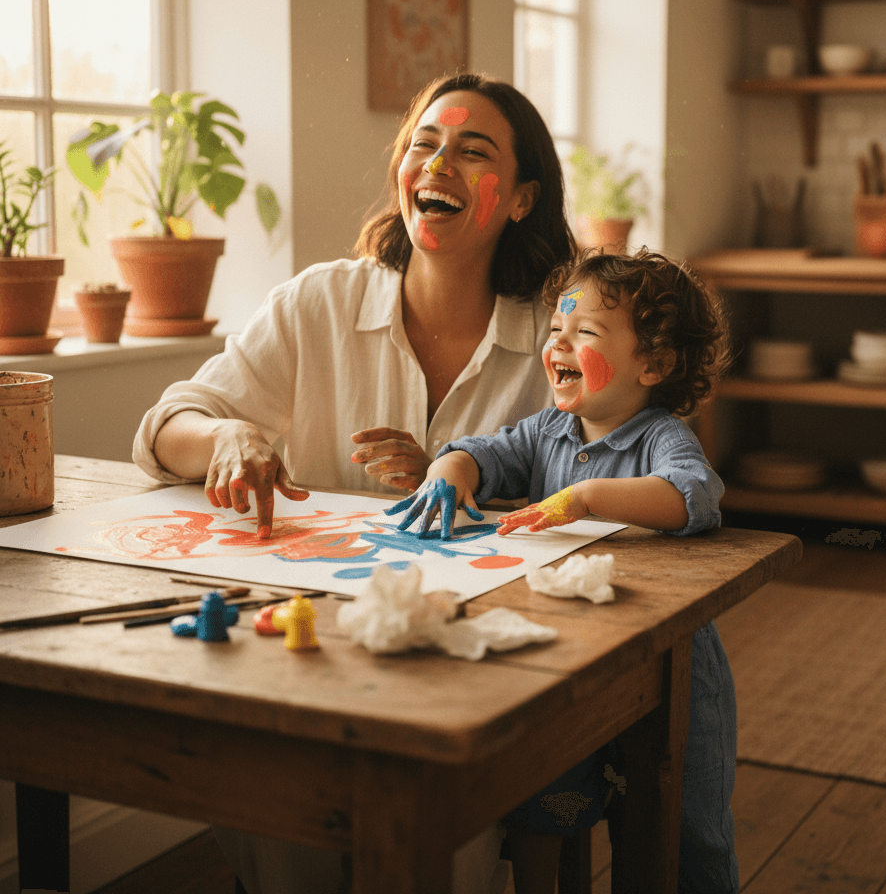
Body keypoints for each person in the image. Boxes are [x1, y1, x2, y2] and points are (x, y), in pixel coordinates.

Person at [133, 71, 576, 894]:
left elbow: (611, 482)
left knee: (432, 822)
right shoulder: (319, 304)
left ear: (519, 200)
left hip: (485, 661)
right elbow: (165, 427)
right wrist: (229, 433)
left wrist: (478, 493)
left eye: (472, 151)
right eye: (423, 144)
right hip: (312, 649)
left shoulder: (561, 331)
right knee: (275, 798)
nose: (438, 163)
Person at [387, 248, 739, 894]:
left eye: (586, 334)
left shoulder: (659, 437)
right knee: (547, 805)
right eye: (556, 330)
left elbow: (695, 497)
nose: (560, 344)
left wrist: (586, 497)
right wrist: (448, 473)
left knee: (675, 836)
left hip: (671, 675)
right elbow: (480, 452)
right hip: (569, 669)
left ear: (653, 363)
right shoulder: (549, 430)